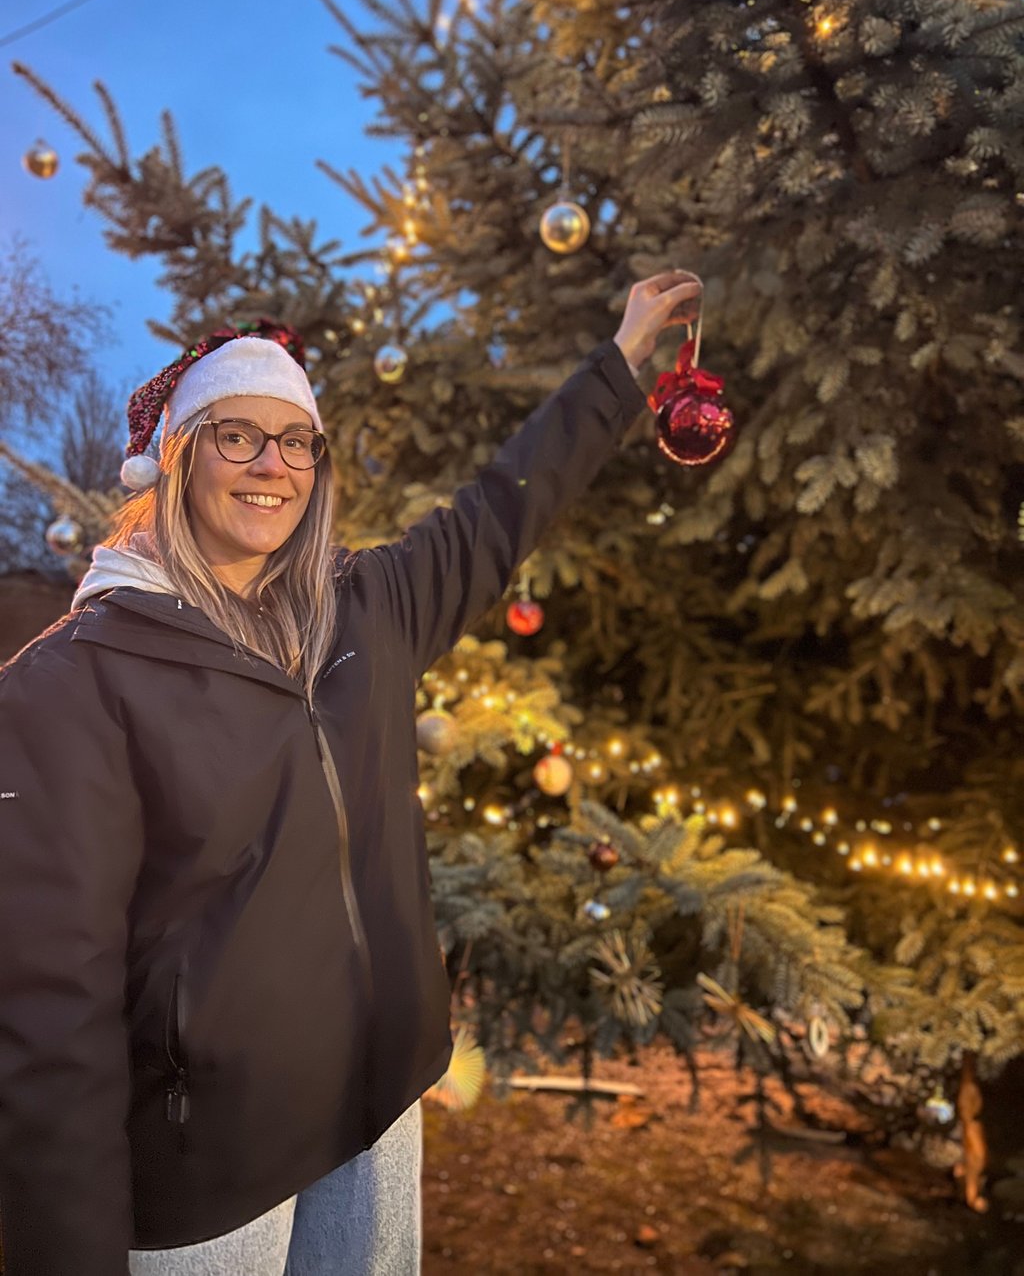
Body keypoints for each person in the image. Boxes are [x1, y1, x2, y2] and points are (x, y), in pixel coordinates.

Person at [0, 271, 701, 1276]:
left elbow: (499, 513)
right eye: (236, 434)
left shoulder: (361, 611)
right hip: (209, 1170)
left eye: (294, 440)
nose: (270, 465)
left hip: (375, 1105)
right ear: (179, 458)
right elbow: (47, 1015)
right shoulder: (72, 682)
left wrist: (623, 365)